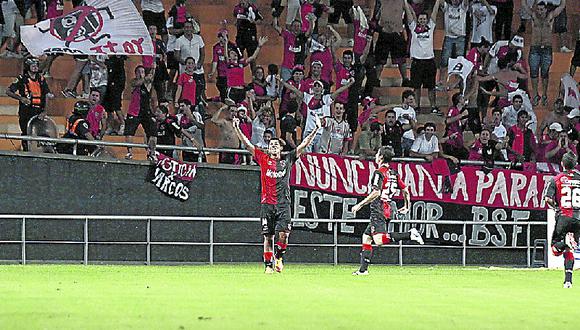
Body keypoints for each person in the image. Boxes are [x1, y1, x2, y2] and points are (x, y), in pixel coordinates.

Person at [231, 113, 323, 274]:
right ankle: (268, 265)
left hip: (283, 204)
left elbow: (303, 145)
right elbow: (247, 145)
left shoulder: (287, 159)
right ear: (268, 148)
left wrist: (315, 129)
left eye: (276, 144)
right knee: (268, 237)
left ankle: (279, 257)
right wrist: (237, 128)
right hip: (267, 204)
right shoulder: (262, 158)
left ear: (280, 148)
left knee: (283, 236)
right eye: (271, 144)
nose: (273, 146)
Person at [351, 146, 424, 275]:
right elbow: (405, 190)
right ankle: (363, 270)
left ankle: (409, 234)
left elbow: (376, 192)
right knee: (366, 238)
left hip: (378, 207)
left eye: (377, 154)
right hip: (387, 208)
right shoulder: (394, 173)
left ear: (381, 157)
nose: (375, 156)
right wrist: (407, 205)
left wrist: (360, 205)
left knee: (379, 240)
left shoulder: (379, 173)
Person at [544, 151, 580, 289]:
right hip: (578, 218)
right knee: (569, 249)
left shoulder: (556, 179)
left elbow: (548, 199)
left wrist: (555, 207)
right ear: (575, 164)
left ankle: (565, 241)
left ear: (562, 164)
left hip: (564, 217)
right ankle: (568, 281)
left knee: (555, 249)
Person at [521, 0, 567, 107]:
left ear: (546, 9)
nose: (539, 11)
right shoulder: (533, 16)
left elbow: (562, 5)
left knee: (545, 73)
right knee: (533, 73)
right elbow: (523, 4)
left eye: (542, 9)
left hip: (547, 48)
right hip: (535, 48)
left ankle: (545, 95)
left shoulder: (551, 16)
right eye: (538, 9)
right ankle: (536, 95)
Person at [6, 58, 54, 151]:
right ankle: (26, 151)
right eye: (33, 65)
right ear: (28, 67)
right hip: (26, 111)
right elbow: (8, 91)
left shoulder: (41, 79)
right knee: (26, 133)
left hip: (39, 111)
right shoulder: (21, 79)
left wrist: (45, 111)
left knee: (43, 133)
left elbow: (47, 94)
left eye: (36, 65)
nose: (35, 67)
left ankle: (45, 152)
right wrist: (21, 98)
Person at [403, 0, 441, 114]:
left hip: (429, 61)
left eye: (424, 19)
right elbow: (409, 15)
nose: (422, 21)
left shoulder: (431, 26)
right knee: (416, 86)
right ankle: (416, 107)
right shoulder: (413, 27)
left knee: (431, 87)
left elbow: (434, 13)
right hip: (417, 62)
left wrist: (438, 1)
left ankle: (433, 106)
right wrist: (405, 2)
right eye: (421, 19)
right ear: (418, 19)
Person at [124, 66, 157, 160]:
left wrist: (153, 68)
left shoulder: (148, 84)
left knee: (152, 132)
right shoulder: (133, 82)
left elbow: (150, 81)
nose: (140, 73)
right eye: (138, 71)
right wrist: (146, 78)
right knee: (129, 132)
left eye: (142, 71)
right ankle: (129, 152)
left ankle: (151, 152)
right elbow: (136, 83)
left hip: (146, 111)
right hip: (134, 111)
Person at [374, 0, 410, 86]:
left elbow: (409, 15)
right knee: (380, 60)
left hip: (397, 33)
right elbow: (376, 17)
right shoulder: (381, 2)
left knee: (401, 59)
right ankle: (376, 79)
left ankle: (405, 79)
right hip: (384, 33)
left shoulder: (403, 1)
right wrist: (380, 28)